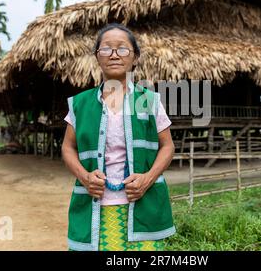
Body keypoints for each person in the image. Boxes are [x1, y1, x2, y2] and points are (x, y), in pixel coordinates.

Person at [61, 23, 176, 251]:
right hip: (94, 206)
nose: (114, 55)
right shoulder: (80, 104)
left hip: (143, 205)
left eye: (123, 49)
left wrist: (147, 178)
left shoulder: (149, 101)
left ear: (135, 58)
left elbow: (167, 146)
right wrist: (85, 177)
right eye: (106, 49)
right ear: (97, 57)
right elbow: (67, 147)